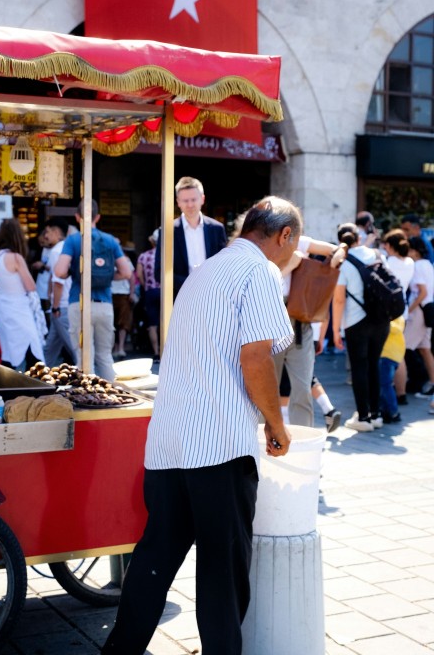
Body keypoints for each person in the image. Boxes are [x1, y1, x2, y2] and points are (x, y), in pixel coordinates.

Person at [101, 195, 302, 655]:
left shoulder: (206, 270)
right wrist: (276, 422)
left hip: (170, 440)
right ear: (283, 235)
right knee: (222, 570)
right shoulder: (260, 270)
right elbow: (255, 357)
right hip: (219, 443)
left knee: (155, 557)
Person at [54, 199, 131, 380]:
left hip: (79, 304)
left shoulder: (73, 240)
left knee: (84, 357)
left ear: (77, 217)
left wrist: (71, 274)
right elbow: (126, 272)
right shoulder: (110, 240)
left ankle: (88, 399)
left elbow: (59, 271)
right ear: (98, 217)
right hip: (104, 305)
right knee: (105, 356)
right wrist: (108, 277)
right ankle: (112, 398)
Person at [273, 236, 346, 427]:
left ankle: (302, 438)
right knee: (269, 385)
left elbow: (336, 251)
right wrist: (291, 264)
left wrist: (331, 264)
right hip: (271, 315)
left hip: (299, 319)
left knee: (303, 385)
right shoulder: (263, 242)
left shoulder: (298, 241)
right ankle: (266, 438)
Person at [332, 223, 390, 431]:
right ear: (359, 237)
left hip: (356, 322)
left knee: (359, 368)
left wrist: (336, 330)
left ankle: (363, 417)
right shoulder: (377, 254)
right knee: (374, 365)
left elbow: (338, 301)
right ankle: (376, 415)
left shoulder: (344, 263)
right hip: (382, 320)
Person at [154, 176, 227, 297]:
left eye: (193, 199)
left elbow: (224, 266)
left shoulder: (217, 229)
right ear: (178, 202)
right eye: (185, 200)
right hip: (179, 297)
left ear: (202, 199)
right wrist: (192, 284)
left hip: (212, 296)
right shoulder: (167, 231)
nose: (190, 205)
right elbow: (159, 273)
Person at [0, 218, 45, 370]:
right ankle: (33, 391)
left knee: (8, 353)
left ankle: (7, 390)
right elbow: (31, 286)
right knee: (32, 354)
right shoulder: (15, 257)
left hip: (3, 307)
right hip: (19, 309)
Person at [381, 228, 415, 406]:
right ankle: (401, 393)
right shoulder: (410, 262)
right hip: (403, 308)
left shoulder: (389, 261)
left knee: (386, 353)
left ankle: (388, 392)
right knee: (398, 353)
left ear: (390, 246)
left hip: (389, 309)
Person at [42, 217, 76, 368]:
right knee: (50, 348)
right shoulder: (66, 248)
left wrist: (54, 306)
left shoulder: (57, 251)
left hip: (61, 307)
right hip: (64, 305)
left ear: (56, 231)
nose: (45, 236)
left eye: (48, 232)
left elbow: (58, 282)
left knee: (76, 350)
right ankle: (40, 377)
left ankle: (94, 378)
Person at [404, 236, 434, 397]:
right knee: (425, 349)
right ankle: (430, 383)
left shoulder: (417, 266)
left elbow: (422, 292)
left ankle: (415, 381)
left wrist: (409, 310)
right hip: (427, 309)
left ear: (414, 251)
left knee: (404, 347)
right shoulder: (427, 264)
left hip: (419, 311)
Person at [136, 229, 161, 361]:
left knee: (152, 323)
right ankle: (166, 350)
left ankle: (156, 351)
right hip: (165, 291)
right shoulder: (168, 255)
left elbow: (139, 274)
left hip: (150, 291)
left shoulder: (143, 256)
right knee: (167, 321)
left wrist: (145, 286)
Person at [379, 316, 405, 423]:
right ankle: (385, 410)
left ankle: (393, 412)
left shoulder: (397, 316)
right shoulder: (396, 315)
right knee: (383, 384)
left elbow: (395, 328)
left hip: (388, 355)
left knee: (385, 384)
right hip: (389, 355)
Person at [112, 254, 136, 359]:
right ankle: (114, 348)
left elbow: (132, 277)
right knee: (112, 324)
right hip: (110, 294)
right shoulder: (107, 258)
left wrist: (131, 292)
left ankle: (120, 348)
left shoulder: (125, 259)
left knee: (123, 322)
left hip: (123, 294)